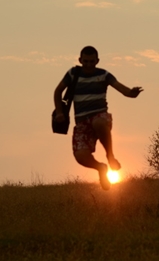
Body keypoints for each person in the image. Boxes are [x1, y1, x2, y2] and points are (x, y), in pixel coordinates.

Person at [53, 46, 143, 190]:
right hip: (81, 121)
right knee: (80, 156)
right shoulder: (72, 74)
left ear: (97, 61)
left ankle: (110, 156)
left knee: (99, 122)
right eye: (86, 61)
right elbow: (58, 91)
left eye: (92, 62)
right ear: (80, 60)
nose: (89, 65)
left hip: (100, 114)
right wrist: (59, 112)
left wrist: (132, 93)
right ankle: (101, 168)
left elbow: (123, 90)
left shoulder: (104, 75)